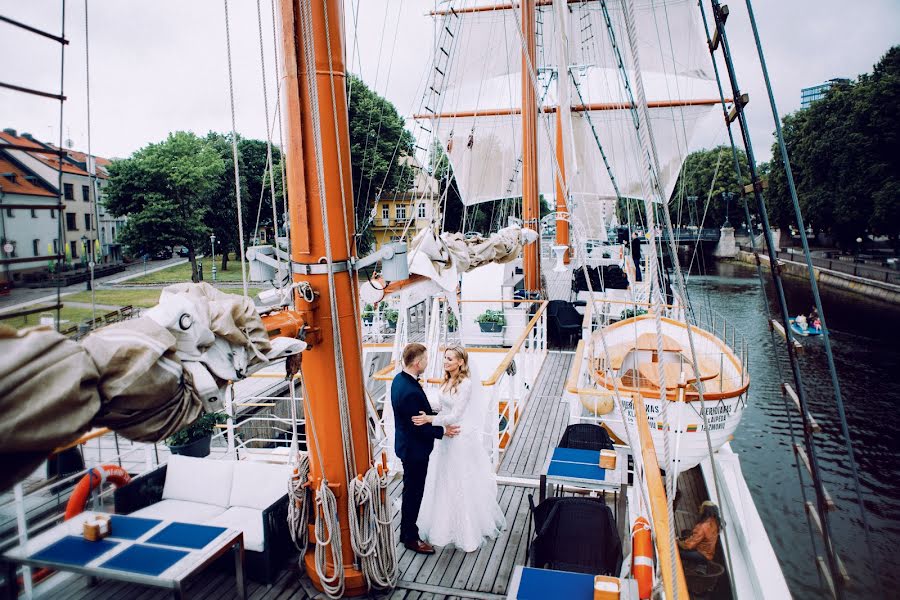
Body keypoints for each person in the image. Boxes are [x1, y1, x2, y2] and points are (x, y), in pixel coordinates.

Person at [412, 346, 506, 552]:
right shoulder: (447, 380)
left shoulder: (466, 384)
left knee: (460, 480)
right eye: (445, 358)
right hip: (446, 436)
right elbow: (444, 405)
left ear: (461, 362)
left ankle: (466, 529)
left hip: (458, 436)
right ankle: (443, 524)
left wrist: (430, 419)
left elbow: (456, 415)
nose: (445, 362)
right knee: (444, 479)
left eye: (450, 359)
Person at [391, 343, 460, 554]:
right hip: (414, 451)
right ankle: (410, 537)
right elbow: (418, 426)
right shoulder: (410, 391)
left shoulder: (399, 380)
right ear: (418, 363)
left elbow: (418, 416)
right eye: (426, 359)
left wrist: (432, 414)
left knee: (410, 490)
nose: (428, 362)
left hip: (406, 446)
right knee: (414, 493)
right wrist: (442, 431)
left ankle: (406, 531)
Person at [678, 501, 722, 571]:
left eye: (701, 508)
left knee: (678, 553)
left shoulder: (702, 527)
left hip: (702, 555)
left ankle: (692, 566)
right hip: (709, 554)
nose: (699, 508)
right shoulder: (715, 522)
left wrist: (678, 541)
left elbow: (687, 546)